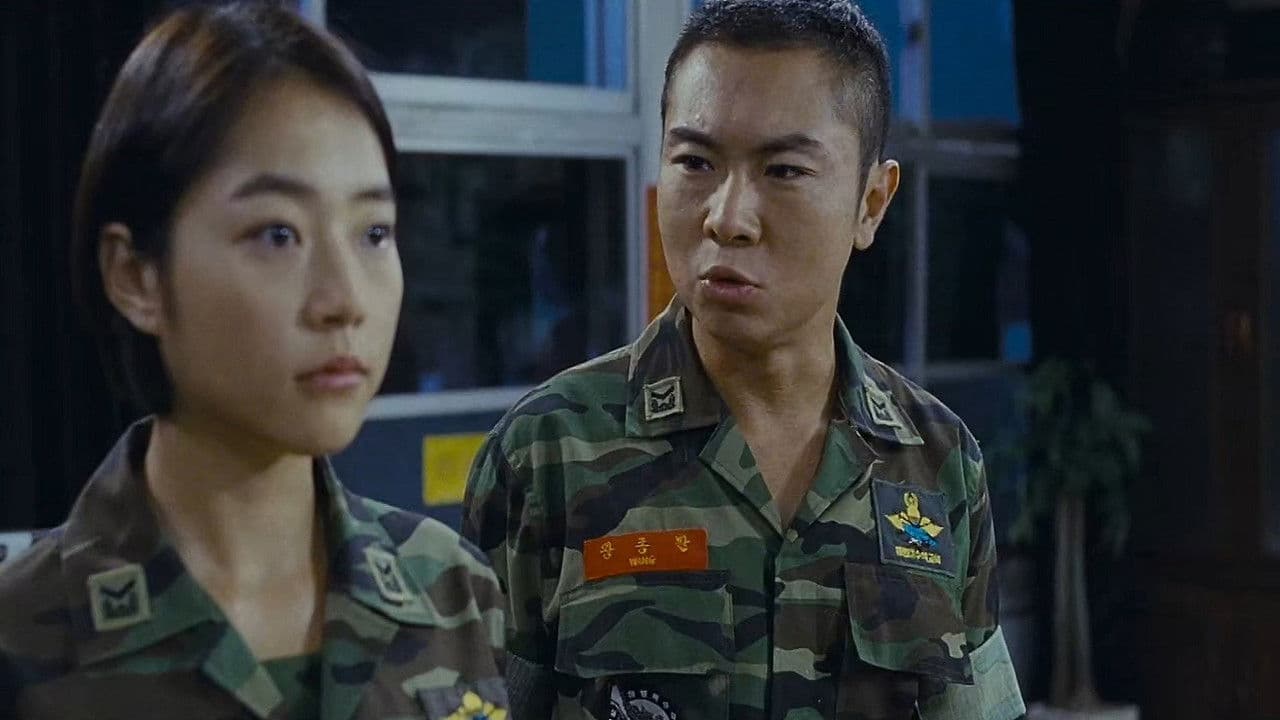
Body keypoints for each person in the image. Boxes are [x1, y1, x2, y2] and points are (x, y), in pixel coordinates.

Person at [462, 0, 1025, 718]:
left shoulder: (936, 461)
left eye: (783, 170)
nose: (727, 217)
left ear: (871, 203)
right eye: (695, 162)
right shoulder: (547, 454)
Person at [0, 4, 507, 719]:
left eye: (373, 233)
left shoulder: (450, 588)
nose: (343, 301)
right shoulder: (24, 638)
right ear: (137, 276)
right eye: (277, 234)